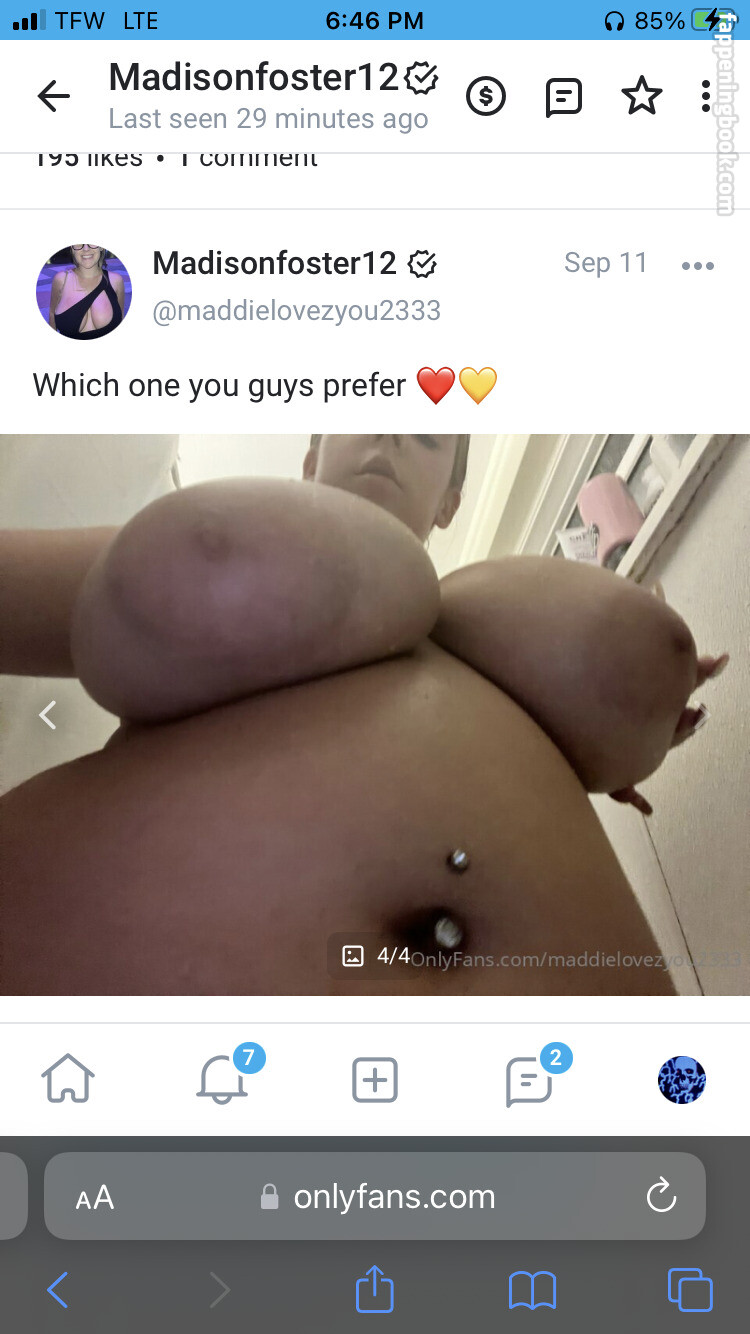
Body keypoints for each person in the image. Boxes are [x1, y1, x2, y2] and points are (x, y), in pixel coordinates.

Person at [0, 435, 726, 996]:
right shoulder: (196, 562)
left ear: (450, 503)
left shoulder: (484, 629)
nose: (391, 434)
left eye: (428, 437)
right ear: (312, 455)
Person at [48, 245, 124, 340]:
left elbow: (120, 319)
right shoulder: (61, 280)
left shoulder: (116, 281)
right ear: (72, 248)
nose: (86, 249)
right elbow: (52, 314)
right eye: (79, 243)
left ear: (101, 247)